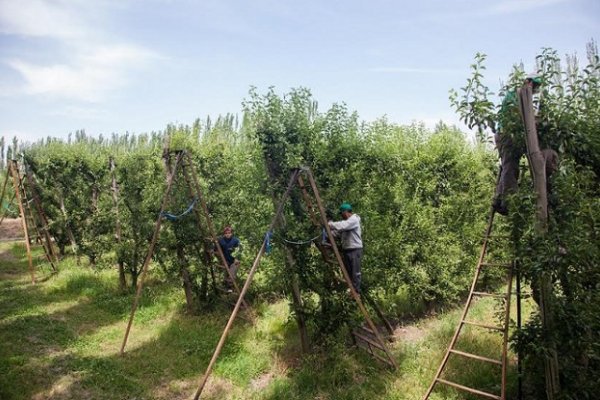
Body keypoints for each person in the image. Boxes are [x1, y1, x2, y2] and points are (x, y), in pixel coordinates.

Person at [493, 73, 543, 215]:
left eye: (537, 87)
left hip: (508, 134)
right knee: (510, 166)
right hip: (506, 134)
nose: (535, 89)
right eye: (534, 85)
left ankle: (499, 199)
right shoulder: (515, 95)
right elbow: (517, 115)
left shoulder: (523, 98)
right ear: (527, 82)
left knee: (508, 166)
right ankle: (509, 201)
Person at [328, 202, 363, 294]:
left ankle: (356, 291)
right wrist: (328, 233)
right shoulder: (346, 224)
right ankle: (351, 289)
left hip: (355, 249)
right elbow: (338, 233)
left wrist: (330, 224)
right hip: (347, 249)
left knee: (355, 271)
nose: (341, 216)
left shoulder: (353, 220)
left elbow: (343, 225)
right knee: (348, 271)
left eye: (342, 213)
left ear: (346, 212)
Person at [216, 225, 241, 292]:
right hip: (226, 260)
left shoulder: (235, 240)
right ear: (224, 234)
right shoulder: (221, 240)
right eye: (226, 233)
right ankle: (228, 288)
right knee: (226, 273)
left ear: (231, 233)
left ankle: (230, 287)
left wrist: (237, 258)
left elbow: (239, 249)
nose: (227, 234)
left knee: (231, 273)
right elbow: (216, 247)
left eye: (229, 233)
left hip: (234, 260)